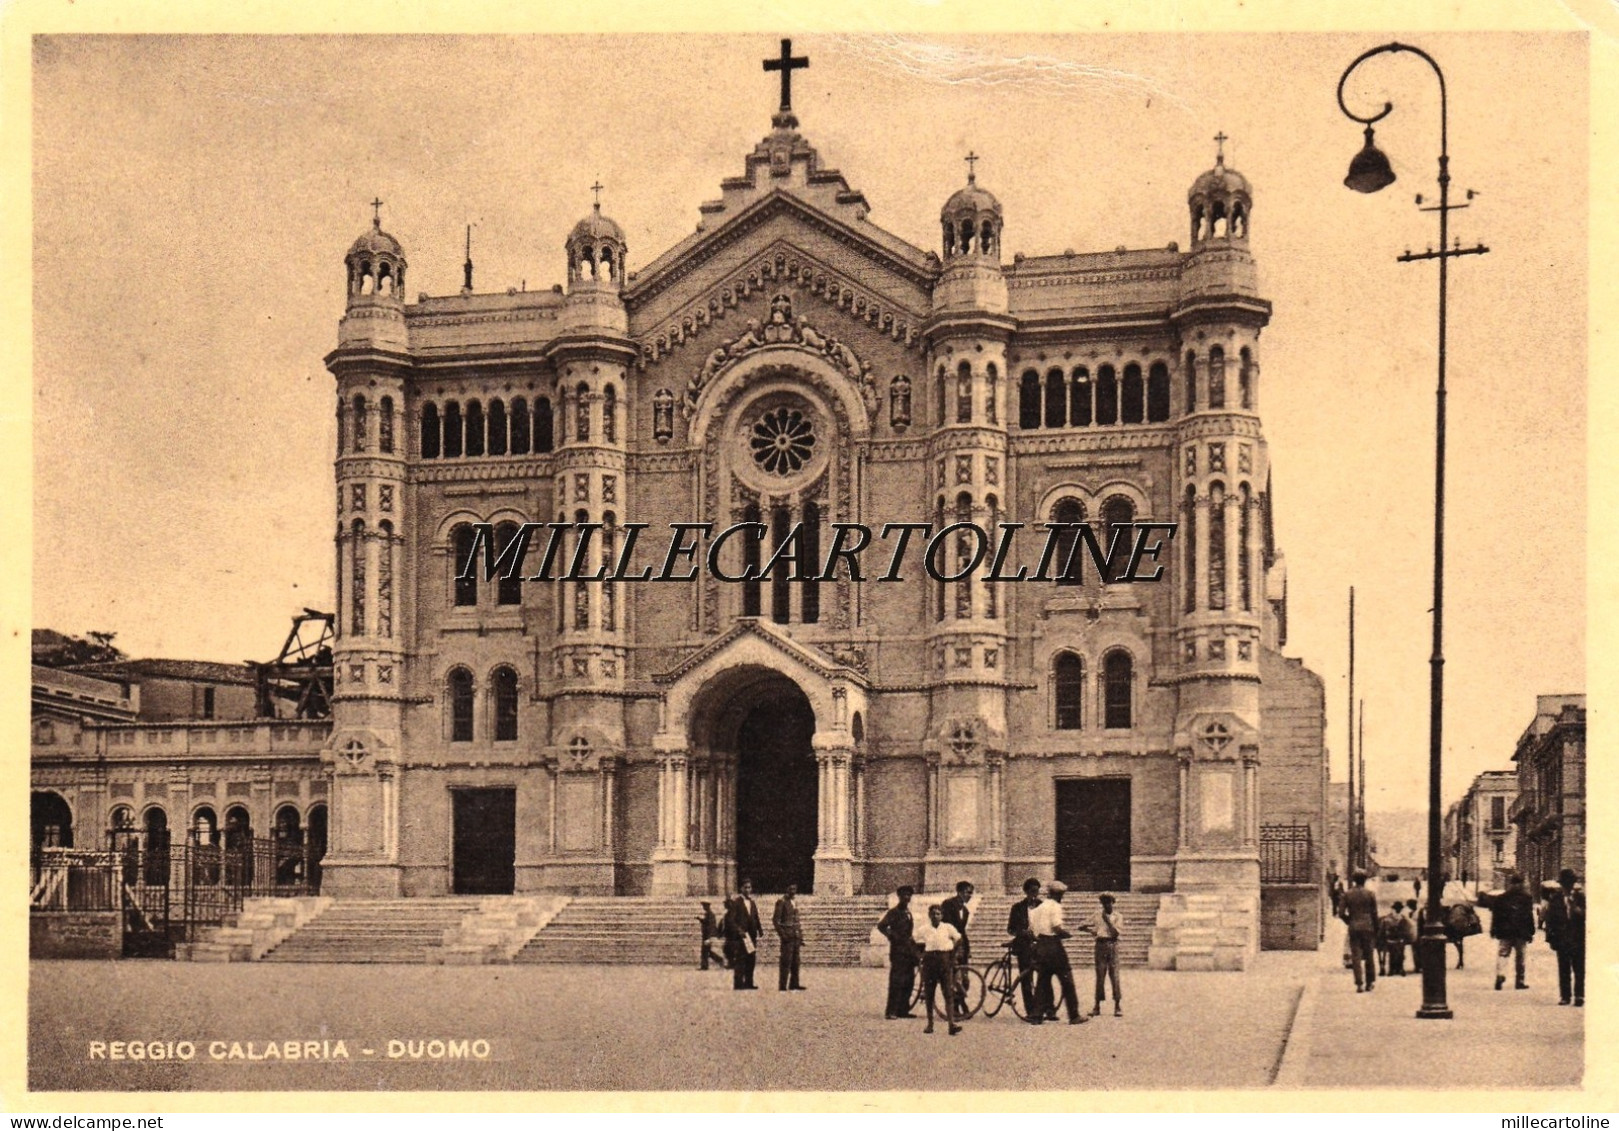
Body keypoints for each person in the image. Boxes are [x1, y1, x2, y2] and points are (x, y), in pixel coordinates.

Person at [1030, 880, 1085, 1024]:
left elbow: (1033, 927)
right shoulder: (1055, 907)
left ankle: (1036, 1016)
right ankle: (1074, 1015)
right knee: (1067, 980)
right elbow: (1056, 928)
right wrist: (1067, 934)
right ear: (1059, 894)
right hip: (1053, 946)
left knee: (1042, 982)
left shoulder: (1039, 907)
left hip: (1041, 945)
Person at [915, 903, 963, 1035]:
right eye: (933, 914)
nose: (935, 916)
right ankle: (930, 1024)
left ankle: (951, 1024)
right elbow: (912, 940)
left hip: (945, 961)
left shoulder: (947, 928)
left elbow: (959, 938)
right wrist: (919, 955)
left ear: (942, 915)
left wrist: (953, 954)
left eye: (938, 914)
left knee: (948, 993)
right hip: (930, 962)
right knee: (929, 994)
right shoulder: (924, 929)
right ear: (929, 915)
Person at [1543, 868, 1585, 1007]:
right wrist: (1551, 938)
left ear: (1573, 884)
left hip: (1578, 939)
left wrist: (1579, 911)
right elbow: (1549, 920)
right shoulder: (1555, 899)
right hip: (1562, 939)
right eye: (1564, 884)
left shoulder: (1581, 898)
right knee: (1564, 968)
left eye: (1569, 883)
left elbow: (1590, 918)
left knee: (1579, 969)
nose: (1567, 886)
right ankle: (1565, 996)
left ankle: (1579, 996)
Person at [1487, 873, 1536, 991]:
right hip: (1520, 932)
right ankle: (1519, 981)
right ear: (1521, 884)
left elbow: (1496, 916)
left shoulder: (1501, 898)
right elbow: (1529, 916)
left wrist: (1493, 930)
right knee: (1520, 957)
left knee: (1503, 954)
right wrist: (1531, 931)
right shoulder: (1526, 898)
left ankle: (1500, 975)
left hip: (1505, 932)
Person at [877, 886, 919, 1019]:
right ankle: (891, 1011)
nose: (907, 898)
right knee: (896, 981)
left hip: (909, 951)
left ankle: (903, 1010)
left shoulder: (908, 912)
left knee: (909, 981)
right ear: (899, 897)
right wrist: (892, 936)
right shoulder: (894, 912)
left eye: (909, 895)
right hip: (898, 951)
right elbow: (881, 926)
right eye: (904, 895)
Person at [1005, 877, 1044, 1019]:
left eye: (1037, 891)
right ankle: (1030, 1011)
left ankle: (1041, 1007)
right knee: (1026, 978)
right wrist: (1022, 932)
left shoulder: (1042, 906)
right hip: (1024, 947)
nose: (1035, 895)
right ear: (1026, 892)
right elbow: (1010, 929)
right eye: (1032, 891)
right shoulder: (1017, 908)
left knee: (1042, 977)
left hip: (1039, 946)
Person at [938, 880, 974, 1014]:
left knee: (964, 979)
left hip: (961, 947)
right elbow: (944, 926)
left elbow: (962, 931)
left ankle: (959, 1002)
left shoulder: (965, 911)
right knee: (953, 978)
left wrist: (966, 948)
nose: (969, 896)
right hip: (949, 945)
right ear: (959, 892)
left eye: (971, 893)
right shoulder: (948, 904)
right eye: (967, 893)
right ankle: (954, 1007)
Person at [1085, 892, 1124, 1017]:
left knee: (1114, 975)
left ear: (1113, 902)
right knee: (1100, 976)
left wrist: (1107, 920)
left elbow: (1115, 933)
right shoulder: (1097, 915)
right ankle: (1097, 1006)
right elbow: (1084, 925)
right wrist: (1091, 931)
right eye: (1104, 902)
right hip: (1100, 945)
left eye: (1108, 902)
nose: (1106, 905)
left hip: (1112, 945)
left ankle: (1117, 1006)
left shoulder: (1118, 916)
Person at [1340, 869, 1379, 993]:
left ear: (1354, 880)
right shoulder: (1370, 894)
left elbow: (1341, 913)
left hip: (1354, 927)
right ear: (1365, 880)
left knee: (1356, 956)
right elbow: (1375, 913)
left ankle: (1359, 984)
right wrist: (1376, 928)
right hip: (1368, 927)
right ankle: (1370, 982)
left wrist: (1349, 921)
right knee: (1369, 955)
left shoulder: (1347, 894)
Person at [725, 879, 762, 990]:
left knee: (751, 959)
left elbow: (755, 917)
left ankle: (749, 982)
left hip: (751, 935)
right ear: (741, 889)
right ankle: (738, 983)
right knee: (741, 960)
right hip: (742, 936)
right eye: (745, 887)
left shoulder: (752, 902)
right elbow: (731, 920)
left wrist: (760, 929)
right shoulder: (736, 902)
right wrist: (738, 930)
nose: (748, 890)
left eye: (749, 887)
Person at [773, 883, 806, 991]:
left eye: (794, 889)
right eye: (790, 888)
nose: (793, 891)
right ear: (786, 889)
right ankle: (782, 985)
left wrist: (800, 936)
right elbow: (776, 921)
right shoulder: (781, 902)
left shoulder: (794, 902)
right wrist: (783, 935)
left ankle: (794, 984)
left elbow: (796, 920)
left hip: (795, 936)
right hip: (787, 936)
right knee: (786, 961)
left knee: (796, 962)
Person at [697, 900, 726, 970]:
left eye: (704, 906)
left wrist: (709, 938)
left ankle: (707, 965)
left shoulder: (710, 914)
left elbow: (711, 926)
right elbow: (706, 922)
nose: (703, 907)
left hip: (707, 936)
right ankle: (716, 961)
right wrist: (700, 919)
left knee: (705, 951)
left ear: (707, 907)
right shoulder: (708, 914)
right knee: (707, 951)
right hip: (706, 935)